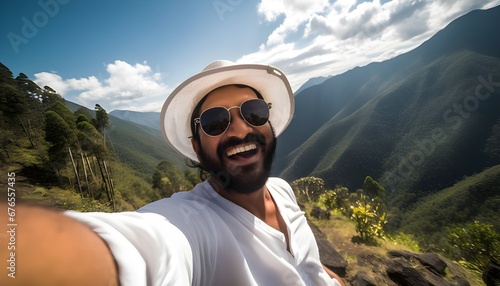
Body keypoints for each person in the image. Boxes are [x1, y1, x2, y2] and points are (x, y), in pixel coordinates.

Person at [1, 60, 344, 286]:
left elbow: (306, 264)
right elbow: (139, 249)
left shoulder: (283, 190)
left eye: (253, 112)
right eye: (215, 122)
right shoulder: (191, 226)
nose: (240, 130)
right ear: (196, 147)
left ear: (268, 124)